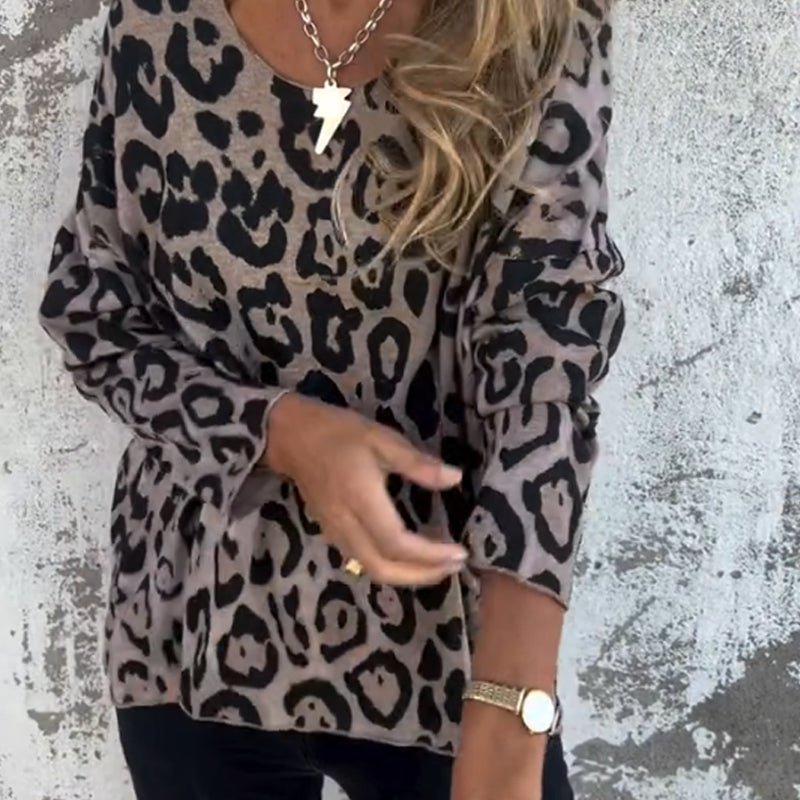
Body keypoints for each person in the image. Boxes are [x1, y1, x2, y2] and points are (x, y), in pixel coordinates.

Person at [38, 0, 625, 797]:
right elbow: (92, 312)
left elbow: (545, 349)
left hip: (447, 659)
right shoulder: (154, 18)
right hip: (191, 632)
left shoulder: (534, 20)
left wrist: (514, 702)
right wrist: (278, 431)